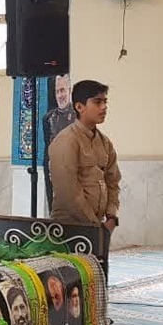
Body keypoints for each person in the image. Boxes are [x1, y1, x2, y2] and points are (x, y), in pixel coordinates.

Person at [47, 80, 122, 233]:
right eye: (98, 102)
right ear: (79, 107)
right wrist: (94, 226)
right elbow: (68, 192)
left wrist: (111, 217)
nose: (104, 107)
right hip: (69, 228)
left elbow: (113, 182)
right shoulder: (66, 140)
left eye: (105, 102)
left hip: (98, 227)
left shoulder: (105, 142)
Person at [42, 74, 76, 207]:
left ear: (69, 90)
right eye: (57, 92)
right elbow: (47, 147)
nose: (60, 95)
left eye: (62, 90)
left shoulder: (80, 116)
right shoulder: (48, 118)